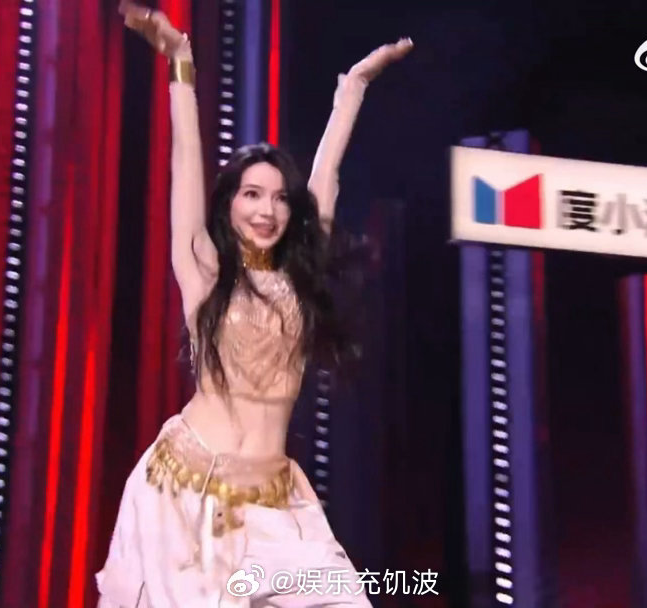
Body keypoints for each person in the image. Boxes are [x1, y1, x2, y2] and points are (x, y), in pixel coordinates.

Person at [96, 2, 412, 606]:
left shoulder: (300, 281)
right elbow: (184, 161)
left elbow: (326, 175)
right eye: (251, 194)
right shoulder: (204, 271)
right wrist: (180, 65)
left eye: (279, 198)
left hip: (274, 505)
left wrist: (353, 89)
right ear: (229, 204)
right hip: (184, 497)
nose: (267, 209)